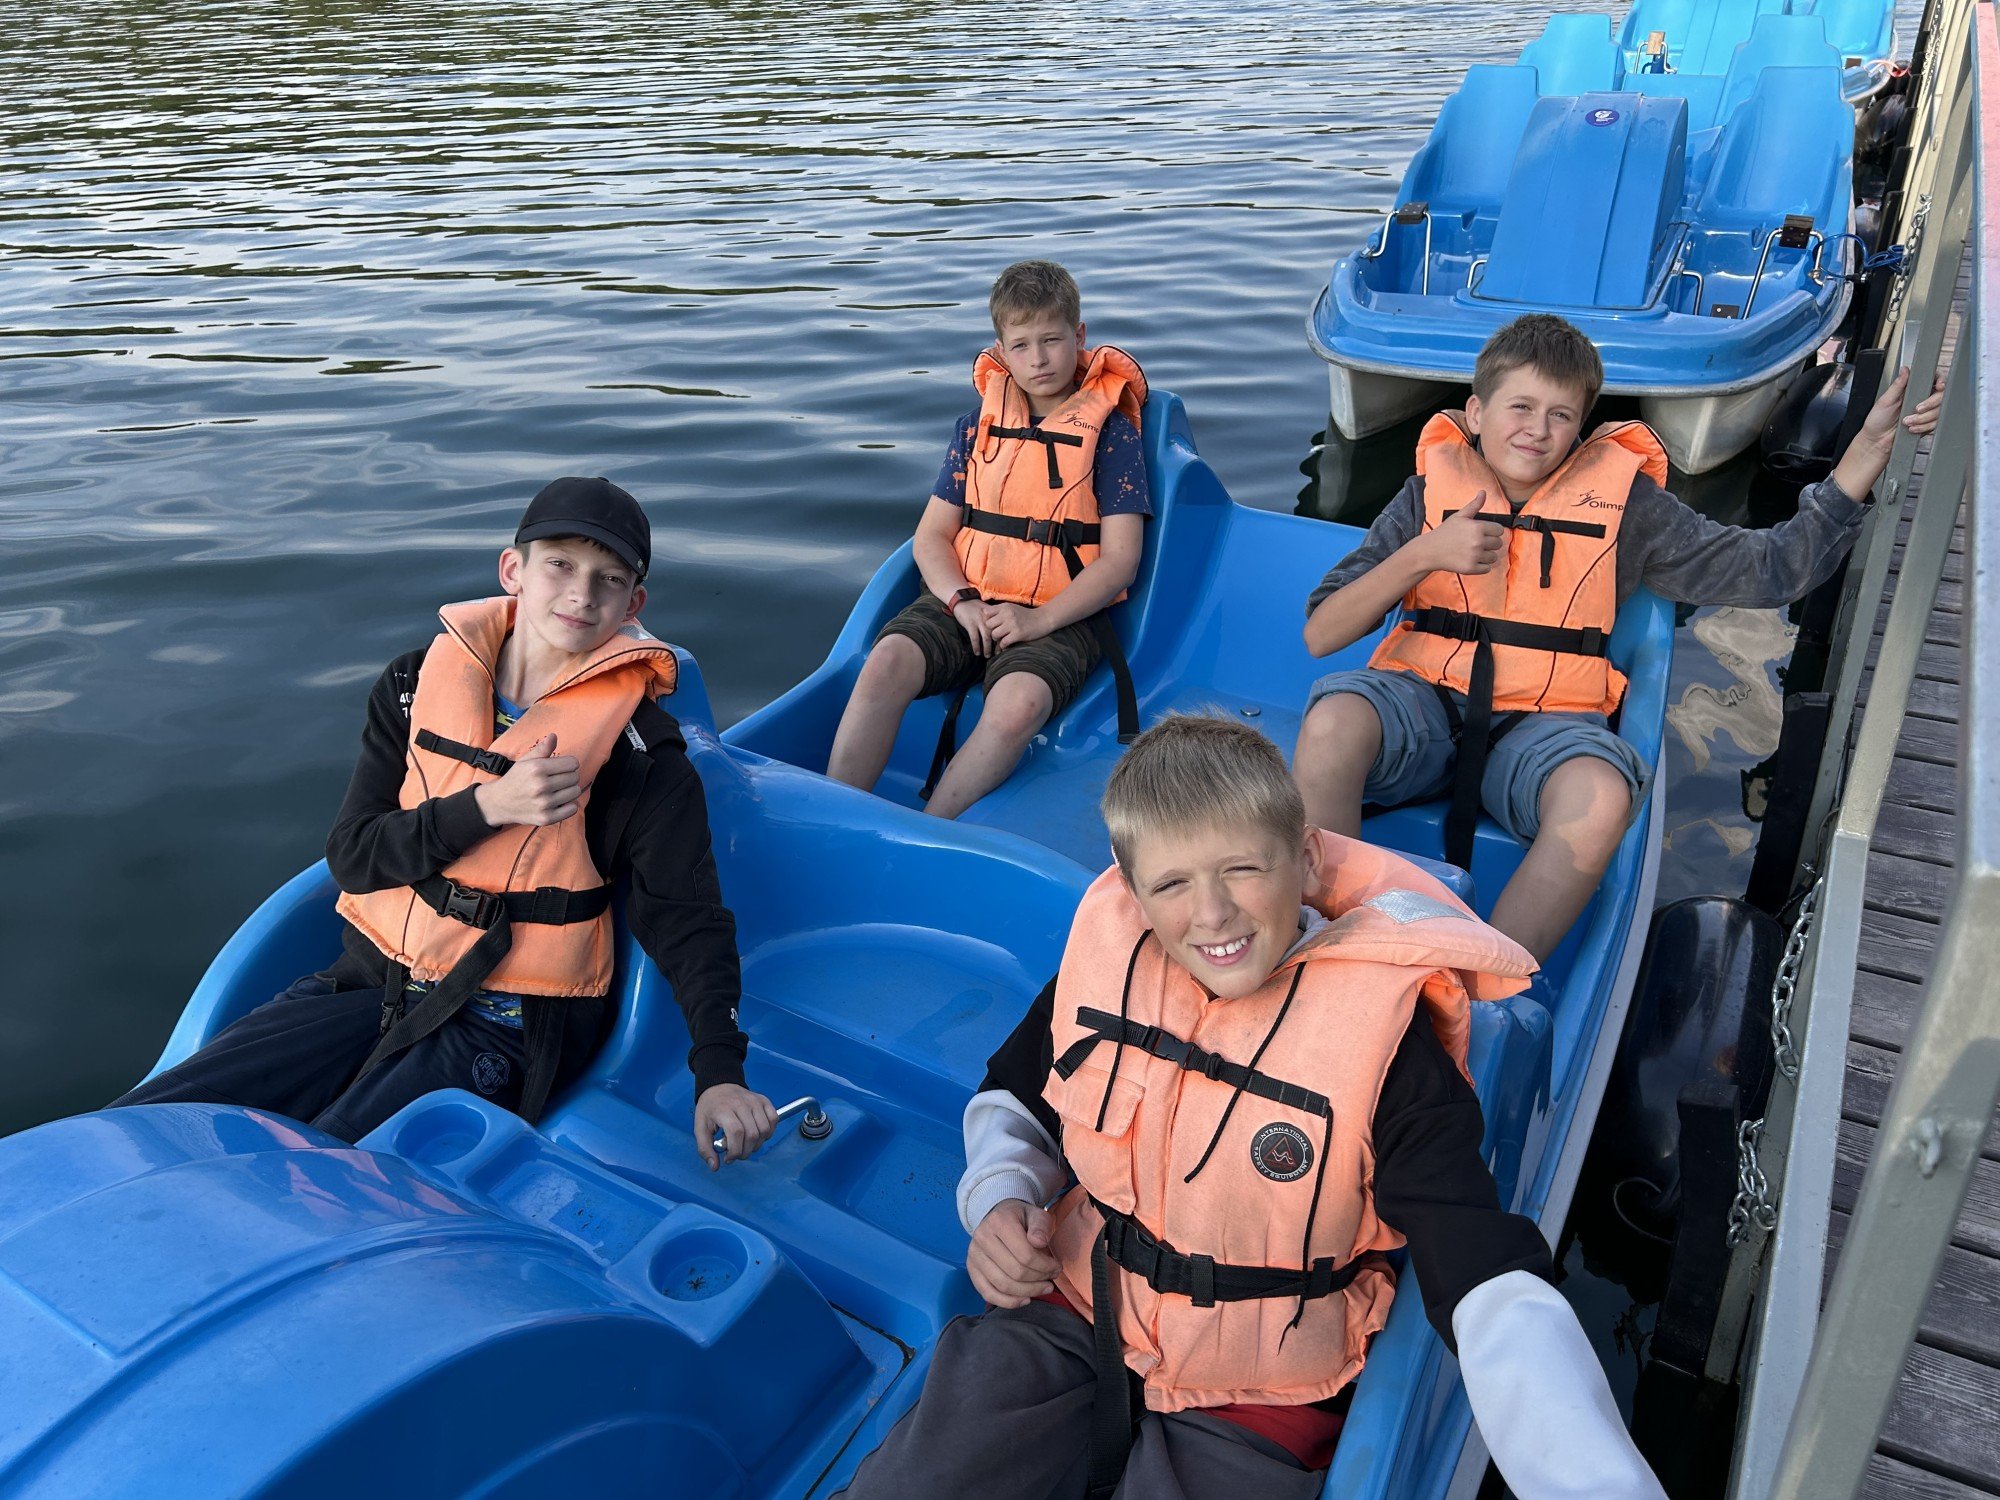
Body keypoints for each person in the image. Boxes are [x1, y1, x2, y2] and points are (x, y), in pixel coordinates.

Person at [840, 714, 1666, 1499]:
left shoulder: (1387, 1043)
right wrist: (998, 1200)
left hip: (1266, 1381)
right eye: (1172, 883)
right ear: (1133, 890)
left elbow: (1479, 1262)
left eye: (1242, 869)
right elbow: (1017, 1098)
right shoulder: (1110, 967)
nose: (1212, 915)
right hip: (1081, 1298)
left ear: (1303, 859)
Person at [117, 477, 777, 1166]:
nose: (583, 594)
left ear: (633, 604)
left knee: (317, 1176)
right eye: (560, 564)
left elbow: (687, 921)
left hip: (513, 1021)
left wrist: (720, 1073)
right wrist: (490, 808)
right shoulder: (411, 686)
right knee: (151, 1122)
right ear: (513, 570)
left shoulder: (642, 755)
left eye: (610, 579)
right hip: (375, 981)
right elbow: (354, 857)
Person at [1294, 314, 1944, 959]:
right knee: (1332, 722)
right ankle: (1335, 943)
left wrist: (1861, 458)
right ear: (1476, 412)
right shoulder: (1422, 498)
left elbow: (1770, 569)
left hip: (1545, 727)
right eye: (1520, 406)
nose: (1538, 430)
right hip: (1423, 704)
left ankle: (1483, 980)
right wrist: (1423, 555)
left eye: (1561, 415)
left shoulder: (1631, 509)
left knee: (1602, 797)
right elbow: (1323, 633)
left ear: (1581, 426)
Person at [827, 259, 1150, 818]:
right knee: (885, 661)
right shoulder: (975, 426)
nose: (1039, 359)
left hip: (1059, 616)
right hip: (967, 601)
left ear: (1079, 336)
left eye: (1052, 340)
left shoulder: (1113, 434)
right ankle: (835, 812)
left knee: (1018, 704)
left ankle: (933, 828)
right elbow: (931, 537)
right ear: (1001, 351)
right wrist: (961, 601)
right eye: (1021, 346)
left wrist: (1037, 621)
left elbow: (1120, 561)